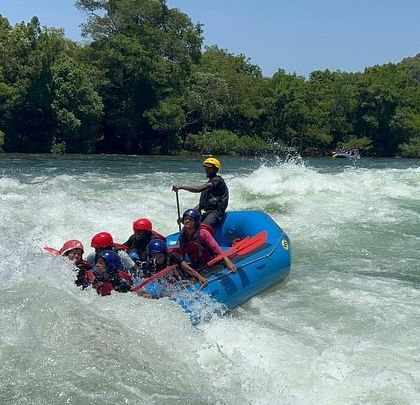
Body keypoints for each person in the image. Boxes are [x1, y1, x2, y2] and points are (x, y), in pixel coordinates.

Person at [177, 208, 236, 283]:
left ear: (195, 222)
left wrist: (227, 260)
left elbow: (215, 247)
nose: (187, 221)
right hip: (196, 264)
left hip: (210, 262)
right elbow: (181, 256)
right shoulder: (182, 237)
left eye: (190, 219)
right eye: (186, 219)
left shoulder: (202, 233)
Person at [172, 157, 229, 230]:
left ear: (216, 169)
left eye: (209, 168)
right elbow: (201, 205)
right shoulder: (208, 187)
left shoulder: (217, 181)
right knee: (188, 227)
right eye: (205, 168)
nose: (206, 170)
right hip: (207, 212)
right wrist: (188, 216)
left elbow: (199, 189)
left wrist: (181, 186)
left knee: (202, 229)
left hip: (216, 212)